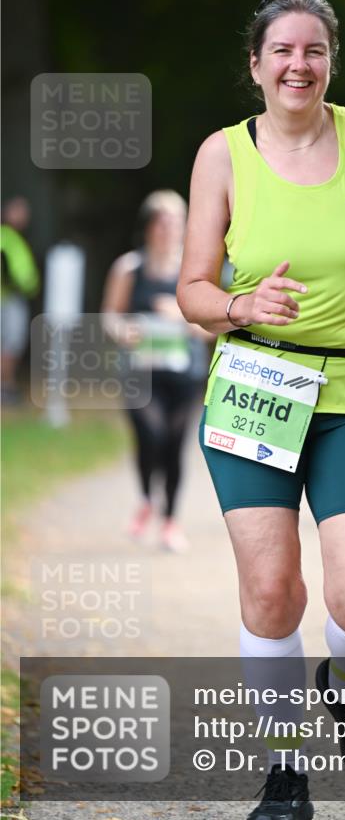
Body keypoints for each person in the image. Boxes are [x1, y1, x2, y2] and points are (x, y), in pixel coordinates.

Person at [177, 0, 345, 820]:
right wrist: (240, 307)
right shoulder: (221, 156)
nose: (299, 65)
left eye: (314, 51)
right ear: (255, 65)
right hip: (257, 388)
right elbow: (192, 290)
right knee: (271, 591)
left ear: (330, 60)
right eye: (282, 52)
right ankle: (284, 771)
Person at [102, 190, 213, 553]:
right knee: (150, 436)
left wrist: (181, 318)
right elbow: (110, 316)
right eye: (160, 220)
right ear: (148, 226)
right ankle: (147, 498)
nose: (168, 228)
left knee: (175, 445)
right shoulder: (128, 268)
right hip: (140, 372)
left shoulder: (196, 270)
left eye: (175, 220)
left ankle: (170, 521)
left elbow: (214, 325)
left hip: (184, 373)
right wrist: (123, 331)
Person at [1, 197, 40, 405]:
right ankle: (5, 387)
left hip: (13, 299)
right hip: (9, 300)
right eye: (18, 211)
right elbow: (16, 272)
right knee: (10, 344)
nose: (23, 216)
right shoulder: (7, 237)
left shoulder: (13, 237)